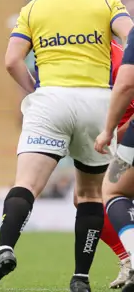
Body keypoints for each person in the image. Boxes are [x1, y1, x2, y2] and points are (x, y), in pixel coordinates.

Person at [0, 0, 134, 292]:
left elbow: (12, 60)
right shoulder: (107, 1)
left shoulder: (33, 7)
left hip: (50, 99)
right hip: (97, 101)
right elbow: (131, 35)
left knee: (27, 183)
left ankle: (5, 248)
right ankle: (80, 278)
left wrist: (34, 90)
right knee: (90, 194)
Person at [75, 41, 134, 289]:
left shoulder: (115, 56)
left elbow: (127, 89)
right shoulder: (73, 55)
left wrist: (109, 133)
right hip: (106, 138)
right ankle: (127, 258)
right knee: (86, 198)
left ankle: (130, 258)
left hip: (120, 137)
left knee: (110, 192)